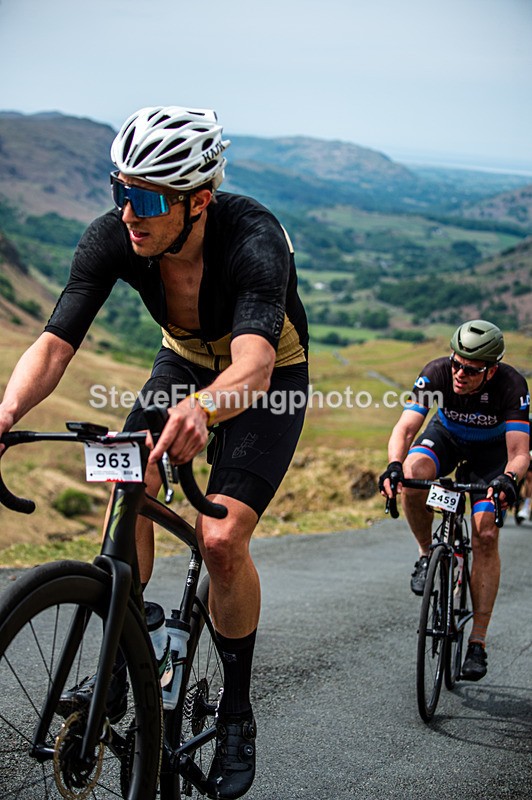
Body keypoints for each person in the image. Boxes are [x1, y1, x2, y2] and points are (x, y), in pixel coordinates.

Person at [0, 106, 309, 798]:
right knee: (125, 477)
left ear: (198, 200)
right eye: (120, 190)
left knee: (221, 540)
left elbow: (254, 366)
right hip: (183, 363)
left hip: (266, 378)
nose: (127, 212)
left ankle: (236, 712)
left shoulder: (252, 236)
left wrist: (204, 408)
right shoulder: (116, 234)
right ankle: (127, 644)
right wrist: (6, 412)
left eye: (146, 199)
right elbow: (54, 344)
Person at [379, 320, 530, 681]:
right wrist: (394, 466)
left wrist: (509, 480)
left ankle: (477, 642)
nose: (460, 374)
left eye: (472, 370)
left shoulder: (511, 385)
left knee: (486, 533)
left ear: (491, 370)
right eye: (456, 364)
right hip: (446, 439)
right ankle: (425, 554)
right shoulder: (436, 373)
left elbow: (519, 452)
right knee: (413, 474)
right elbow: (406, 428)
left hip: (491, 456)